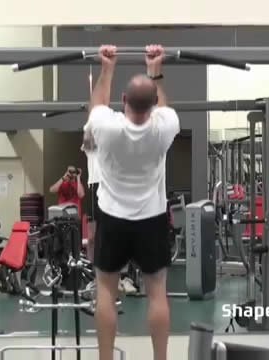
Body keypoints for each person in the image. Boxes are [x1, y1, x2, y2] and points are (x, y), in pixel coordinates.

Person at [83, 44, 180, 360]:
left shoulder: (107, 127)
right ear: (153, 104)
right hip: (150, 218)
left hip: (112, 218)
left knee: (107, 293)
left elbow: (96, 104)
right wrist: (155, 68)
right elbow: (164, 108)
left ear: (123, 101)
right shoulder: (165, 127)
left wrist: (107, 67)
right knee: (156, 294)